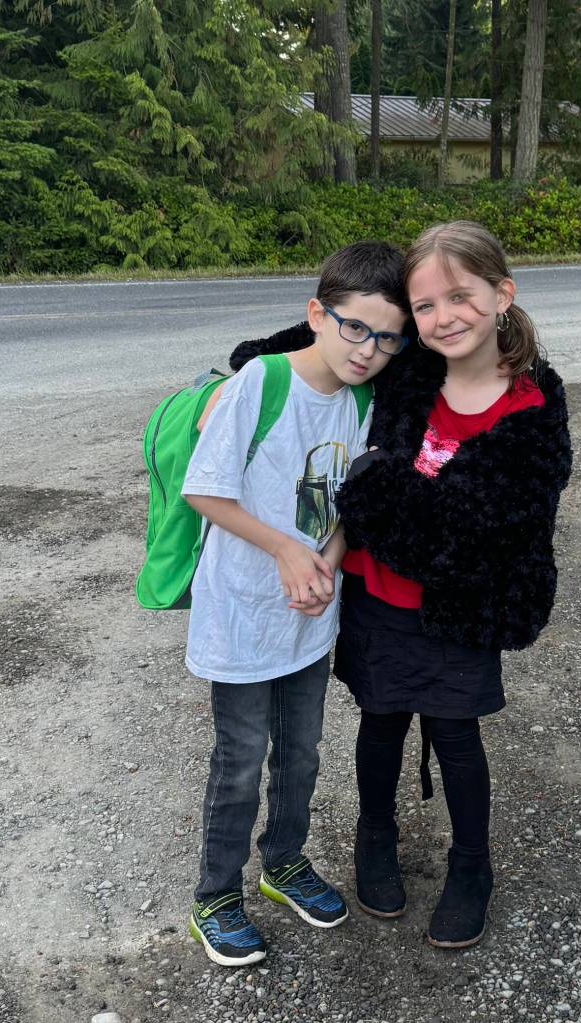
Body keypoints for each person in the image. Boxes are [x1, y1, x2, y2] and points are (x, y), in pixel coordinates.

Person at [232, 221, 573, 950]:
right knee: (381, 720)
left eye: (461, 297)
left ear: (502, 295)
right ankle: (375, 835)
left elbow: (474, 533)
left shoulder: (532, 409)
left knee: (455, 734)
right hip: (377, 596)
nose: (443, 317)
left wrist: (372, 489)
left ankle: (471, 866)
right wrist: (239, 373)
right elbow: (329, 334)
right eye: (424, 306)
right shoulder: (409, 364)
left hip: (460, 607)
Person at [182, 241, 409, 967]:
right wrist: (286, 551)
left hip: (308, 616)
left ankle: (283, 863)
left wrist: (327, 563)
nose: (368, 351)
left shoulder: (364, 402)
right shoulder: (263, 382)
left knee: (303, 751)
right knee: (241, 758)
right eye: (355, 328)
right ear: (317, 314)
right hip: (243, 613)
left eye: (387, 338)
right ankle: (217, 895)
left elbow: (351, 505)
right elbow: (205, 489)